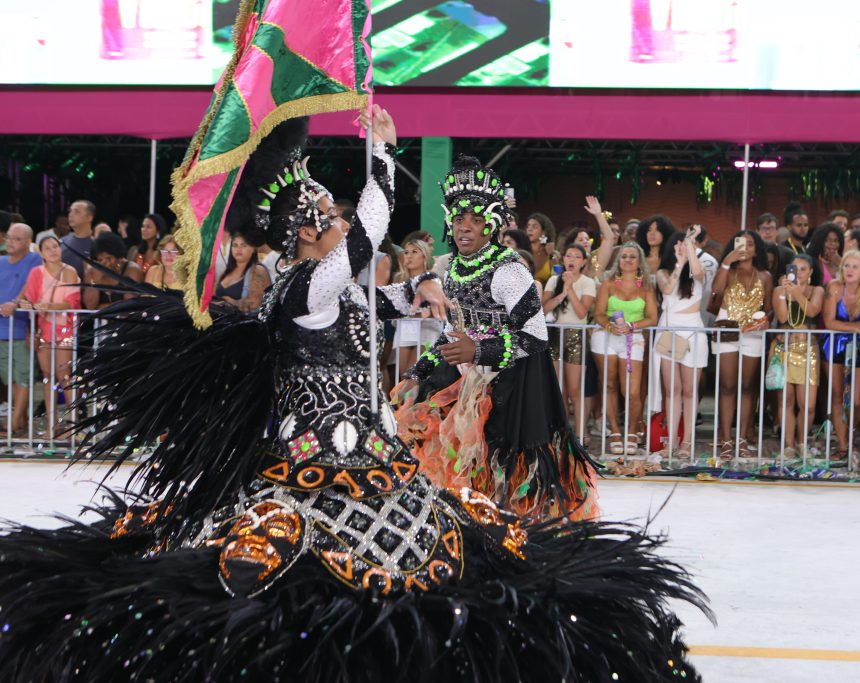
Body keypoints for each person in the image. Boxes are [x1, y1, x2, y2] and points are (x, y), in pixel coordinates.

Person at [0, 109, 709, 683]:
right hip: (322, 467)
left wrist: (428, 300)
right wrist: (381, 157)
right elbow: (368, 241)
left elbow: (395, 299)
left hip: (382, 456)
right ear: (310, 231)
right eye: (328, 213)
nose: (340, 219)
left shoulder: (337, 293)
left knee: (470, 540)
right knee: (312, 580)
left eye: (338, 211)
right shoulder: (305, 290)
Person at [394, 156, 599, 522]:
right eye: (459, 218)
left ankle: (511, 531)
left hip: (514, 384)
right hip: (468, 383)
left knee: (507, 466)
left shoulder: (509, 269)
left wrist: (478, 349)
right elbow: (453, 329)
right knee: (462, 463)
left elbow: (535, 336)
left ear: (490, 224)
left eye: (475, 219)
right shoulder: (452, 268)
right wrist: (419, 370)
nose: (465, 227)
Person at [708, 230, 773, 459]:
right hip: (727, 327)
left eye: (750, 244)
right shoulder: (728, 270)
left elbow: (769, 307)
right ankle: (726, 439)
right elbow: (715, 289)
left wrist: (765, 321)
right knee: (727, 386)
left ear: (757, 250)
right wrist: (727, 261)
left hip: (753, 333)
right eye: (741, 244)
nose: (745, 248)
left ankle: (742, 438)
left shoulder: (765, 276)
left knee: (747, 386)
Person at [591, 243, 659, 457]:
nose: (627, 260)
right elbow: (598, 313)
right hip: (605, 337)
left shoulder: (646, 286)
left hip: (634, 338)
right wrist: (610, 326)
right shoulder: (608, 284)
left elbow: (653, 318)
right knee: (609, 384)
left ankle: (631, 431)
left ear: (640, 262)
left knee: (632, 391)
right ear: (618, 261)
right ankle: (615, 431)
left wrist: (632, 325)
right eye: (624, 256)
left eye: (632, 256)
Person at [18, 235, 81, 437]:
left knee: (65, 376)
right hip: (44, 328)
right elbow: (28, 299)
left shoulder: (69, 271)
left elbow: (72, 302)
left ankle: (73, 424)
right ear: (41, 253)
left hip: (64, 328)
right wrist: (27, 304)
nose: (53, 250)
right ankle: (51, 426)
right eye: (48, 248)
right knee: (47, 376)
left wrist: (49, 306)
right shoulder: (36, 272)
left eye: (55, 246)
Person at [822, 250, 860, 461]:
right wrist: (857, 328)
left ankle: (851, 435)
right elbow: (829, 322)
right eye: (847, 265)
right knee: (837, 395)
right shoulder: (834, 287)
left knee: (856, 400)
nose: (850, 270)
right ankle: (842, 445)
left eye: (855, 266)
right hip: (834, 345)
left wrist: (854, 328)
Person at [654, 230, 707, 458]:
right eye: (680, 244)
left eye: (686, 244)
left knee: (689, 390)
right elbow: (667, 289)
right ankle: (672, 441)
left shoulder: (698, 271)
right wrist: (679, 263)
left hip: (693, 332)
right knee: (672, 389)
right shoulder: (663, 272)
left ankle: (687, 442)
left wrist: (690, 250)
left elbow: (698, 273)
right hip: (669, 332)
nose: (683, 248)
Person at [769, 254, 824, 458]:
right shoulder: (779, 290)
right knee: (786, 400)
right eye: (795, 268)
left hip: (808, 350)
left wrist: (796, 292)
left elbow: (812, 311)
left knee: (808, 405)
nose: (798, 273)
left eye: (803, 269)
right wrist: (785, 293)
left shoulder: (817, 290)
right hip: (784, 349)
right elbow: (783, 316)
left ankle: (802, 442)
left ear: (810, 272)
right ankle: (789, 445)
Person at [542, 244, 596, 435]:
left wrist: (570, 289)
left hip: (576, 335)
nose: (572, 260)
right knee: (559, 390)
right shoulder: (553, 280)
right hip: (555, 334)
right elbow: (543, 309)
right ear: (563, 259)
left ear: (583, 262)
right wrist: (561, 294)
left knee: (575, 390)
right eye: (568, 256)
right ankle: (563, 434)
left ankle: (580, 434)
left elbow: (582, 313)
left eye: (577, 257)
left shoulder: (588, 282)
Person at [0, 224, 42, 436]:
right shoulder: (0, 262)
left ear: (28, 242)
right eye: (9, 237)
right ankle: (21, 419)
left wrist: (15, 303)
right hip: (1, 329)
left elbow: (31, 283)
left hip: (21, 327)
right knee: (10, 378)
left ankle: (14, 421)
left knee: (23, 376)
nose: (10, 242)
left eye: (16, 239)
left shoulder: (34, 260)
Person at [394, 238, 443, 376]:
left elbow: (437, 309)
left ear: (424, 256)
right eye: (406, 252)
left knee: (416, 373)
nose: (409, 256)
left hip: (428, 328)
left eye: (414, 252)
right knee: (402, 374)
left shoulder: (433, 280)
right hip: (405, 327)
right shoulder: (399, 278)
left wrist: (422, 313)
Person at [82, 232, 144, 310]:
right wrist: (96, 281)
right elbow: (90, 306)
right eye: (100, 260)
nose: (105, 263)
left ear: (118, 257)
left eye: (109, 258)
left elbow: (129, 305)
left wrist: (101, 308)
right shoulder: (92, 271)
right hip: (100, 318)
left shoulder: (132, 270)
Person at [214, 232, 271, 313]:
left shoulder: (257, 270)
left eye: (244, 245)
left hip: (243, 320)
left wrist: (233, 303)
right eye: (235, 245)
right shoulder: (226, 271)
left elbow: (255, 305)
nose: (238, 249)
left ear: (253, 249)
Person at [61, 199, 96, 279]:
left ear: (89, 217)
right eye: (70, 211)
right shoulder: (62, 241)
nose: (70, 215)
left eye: (76, 212)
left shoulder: (96, 244)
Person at [524, 212, 557, 283]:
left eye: (534, 227)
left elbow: (556, 276)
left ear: (543, 232)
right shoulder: (522, 251)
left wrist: (551, 255)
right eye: (528, 226)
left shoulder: (552, 253)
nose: (529, 229)